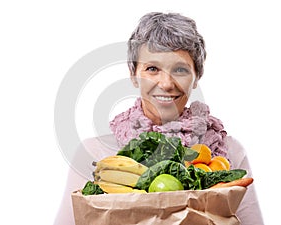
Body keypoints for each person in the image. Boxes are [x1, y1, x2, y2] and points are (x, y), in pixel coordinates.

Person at [54, 12, 264, 225]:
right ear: (133, 74)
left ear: (196, 77)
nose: (166, 83)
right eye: (152, 69)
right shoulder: (94, 152)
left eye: (180, 69)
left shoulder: (229, 152)